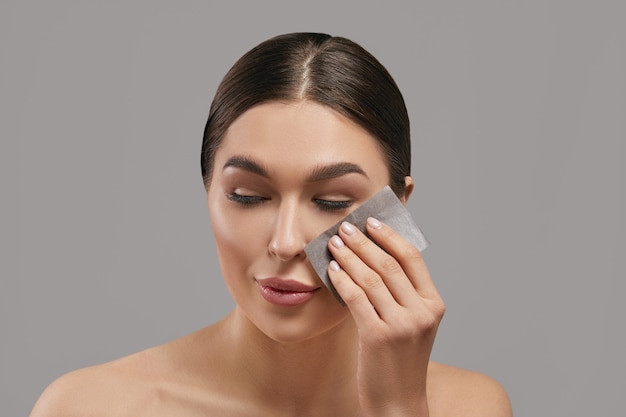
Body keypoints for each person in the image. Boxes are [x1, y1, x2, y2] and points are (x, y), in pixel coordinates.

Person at [30, 32, 512, 417]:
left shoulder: (469, 407)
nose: (285, 243)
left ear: (398, 209)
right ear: (207, 190)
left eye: (331, 201)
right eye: (248, 196)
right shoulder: (90, 407)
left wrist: (398, 409)